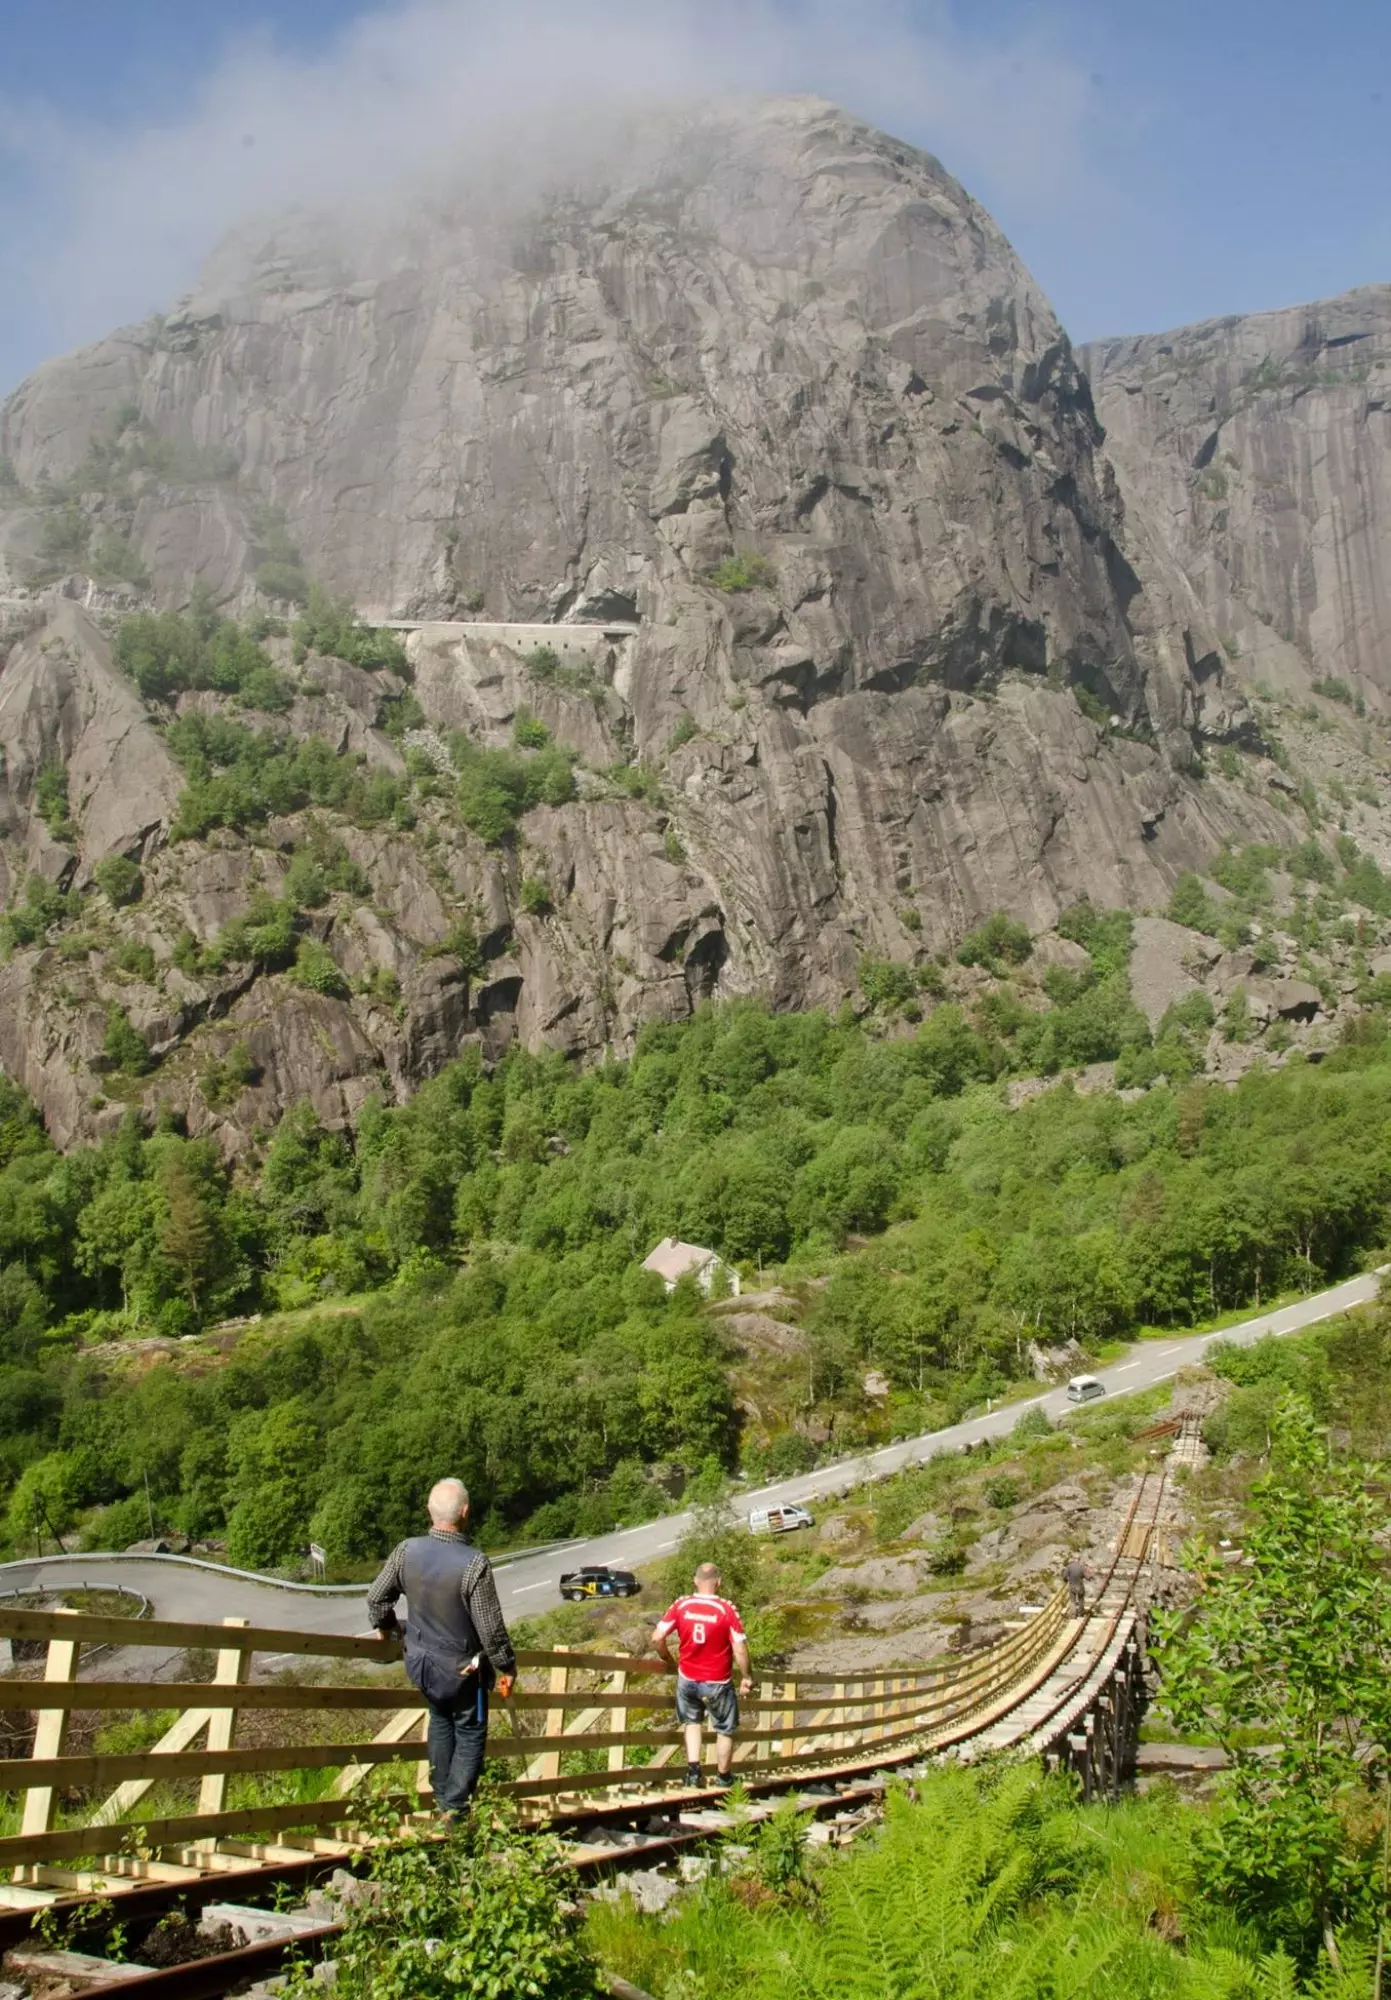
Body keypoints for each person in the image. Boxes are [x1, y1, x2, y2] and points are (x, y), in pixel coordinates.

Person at [367, 1476, 516, 1818]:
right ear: (465, 1512)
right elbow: (490, 1629)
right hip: (465, 1671)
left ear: (428, 1512)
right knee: (470, 1729)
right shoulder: (474, 1563)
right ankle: (455, 1809)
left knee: (439, 1719)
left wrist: (388, 1628)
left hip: (421, 1663)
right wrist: (507, 1666)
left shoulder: (406, 1550)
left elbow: (376, 1598)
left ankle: (440, 1801)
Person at [651, 1561, 753, 1790]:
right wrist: (746, 1676)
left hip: (687, 1678)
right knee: (724, 1728)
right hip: (718, 1681)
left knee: (692, 1722)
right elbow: (739, 1649)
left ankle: (694, 1773)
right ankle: (724, 1777)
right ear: (719, 1582)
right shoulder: (726, 1609)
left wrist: (668, 1659)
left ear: (695, 1581)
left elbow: (656, 1638)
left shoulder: (681, 1605)